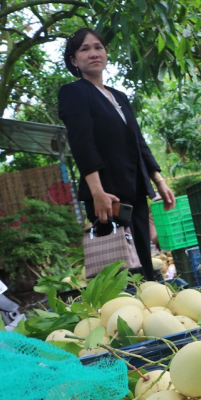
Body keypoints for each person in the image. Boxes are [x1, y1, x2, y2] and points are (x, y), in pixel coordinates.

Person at [58, 28, 175, 279]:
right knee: (121, 271)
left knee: (145, 263)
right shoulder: (74, 93)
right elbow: (82, 144)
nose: (93, 53)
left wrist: (159, 182)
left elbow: (138, 142)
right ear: (73, 60)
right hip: (107, 196)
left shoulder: (119, 96)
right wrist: (97, 192)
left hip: (135, 191)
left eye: (98, 47)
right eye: (84, 49)